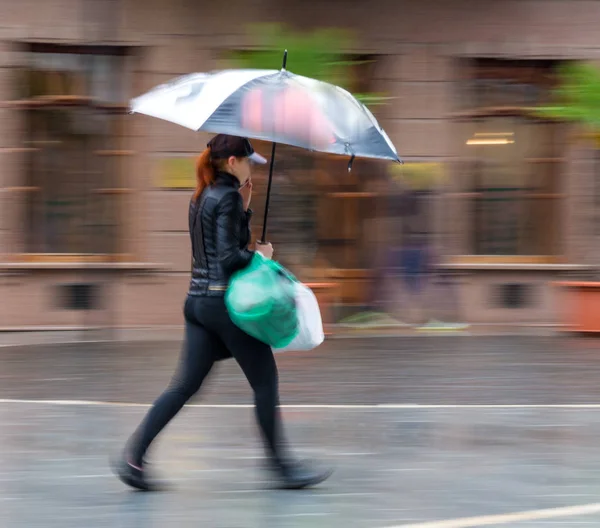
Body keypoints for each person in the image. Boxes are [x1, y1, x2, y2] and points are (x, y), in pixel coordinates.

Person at [113, 134, 332, 491]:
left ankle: (132, 457)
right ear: (233, 162)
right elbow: (230, 258)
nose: (251, 168)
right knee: (265, 383)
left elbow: (213, 248)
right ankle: (282, 467)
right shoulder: (226, 196)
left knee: (184, 386)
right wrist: (261, 255)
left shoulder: (200, 195)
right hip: (227, 307)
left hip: (197, 303)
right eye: (247, 161)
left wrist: (244, 208)